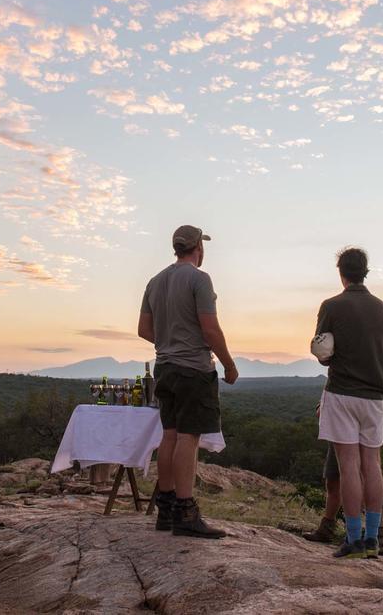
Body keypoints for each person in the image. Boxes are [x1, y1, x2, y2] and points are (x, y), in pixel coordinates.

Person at [138, 224, 238, 538]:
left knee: (169, 435)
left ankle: (165, 510)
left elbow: (144, 329)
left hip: (164, 368)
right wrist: (228, 364)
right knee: (188, 437)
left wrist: (168, 340)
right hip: (193, 369)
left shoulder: (155, 282)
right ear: (198, 247)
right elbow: (210, 329)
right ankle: (186, 511)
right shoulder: (199, 279)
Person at [314, 247, 383, 559]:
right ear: (366, 271)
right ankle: (373, 539)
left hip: (343, 391)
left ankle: (354, 539)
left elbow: (323, 352)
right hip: (374, 394)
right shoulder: (382, 308)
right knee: (372, 464)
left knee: (348, 466)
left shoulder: (331, 305)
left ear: (341, 272)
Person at [302, 441, 383, 556]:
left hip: (354, 429)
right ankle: (326, 528)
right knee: (334, 479)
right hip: (342, 429)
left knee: (366, 472)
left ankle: (378, 535)